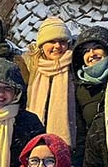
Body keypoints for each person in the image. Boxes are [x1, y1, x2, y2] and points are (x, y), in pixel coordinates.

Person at [72, 26, 108, 166]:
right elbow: (81, 133)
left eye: (97, 48)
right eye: (86, 51)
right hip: (97, 159)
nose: (91, 54)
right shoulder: (80, 89)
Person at [26, 16, 76, 149]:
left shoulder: (75, 67)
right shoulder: (31, 67)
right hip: (35, 144)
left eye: (62, 41)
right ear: (42, 45)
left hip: (69, 148)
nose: (57, 46)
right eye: (52, 41)